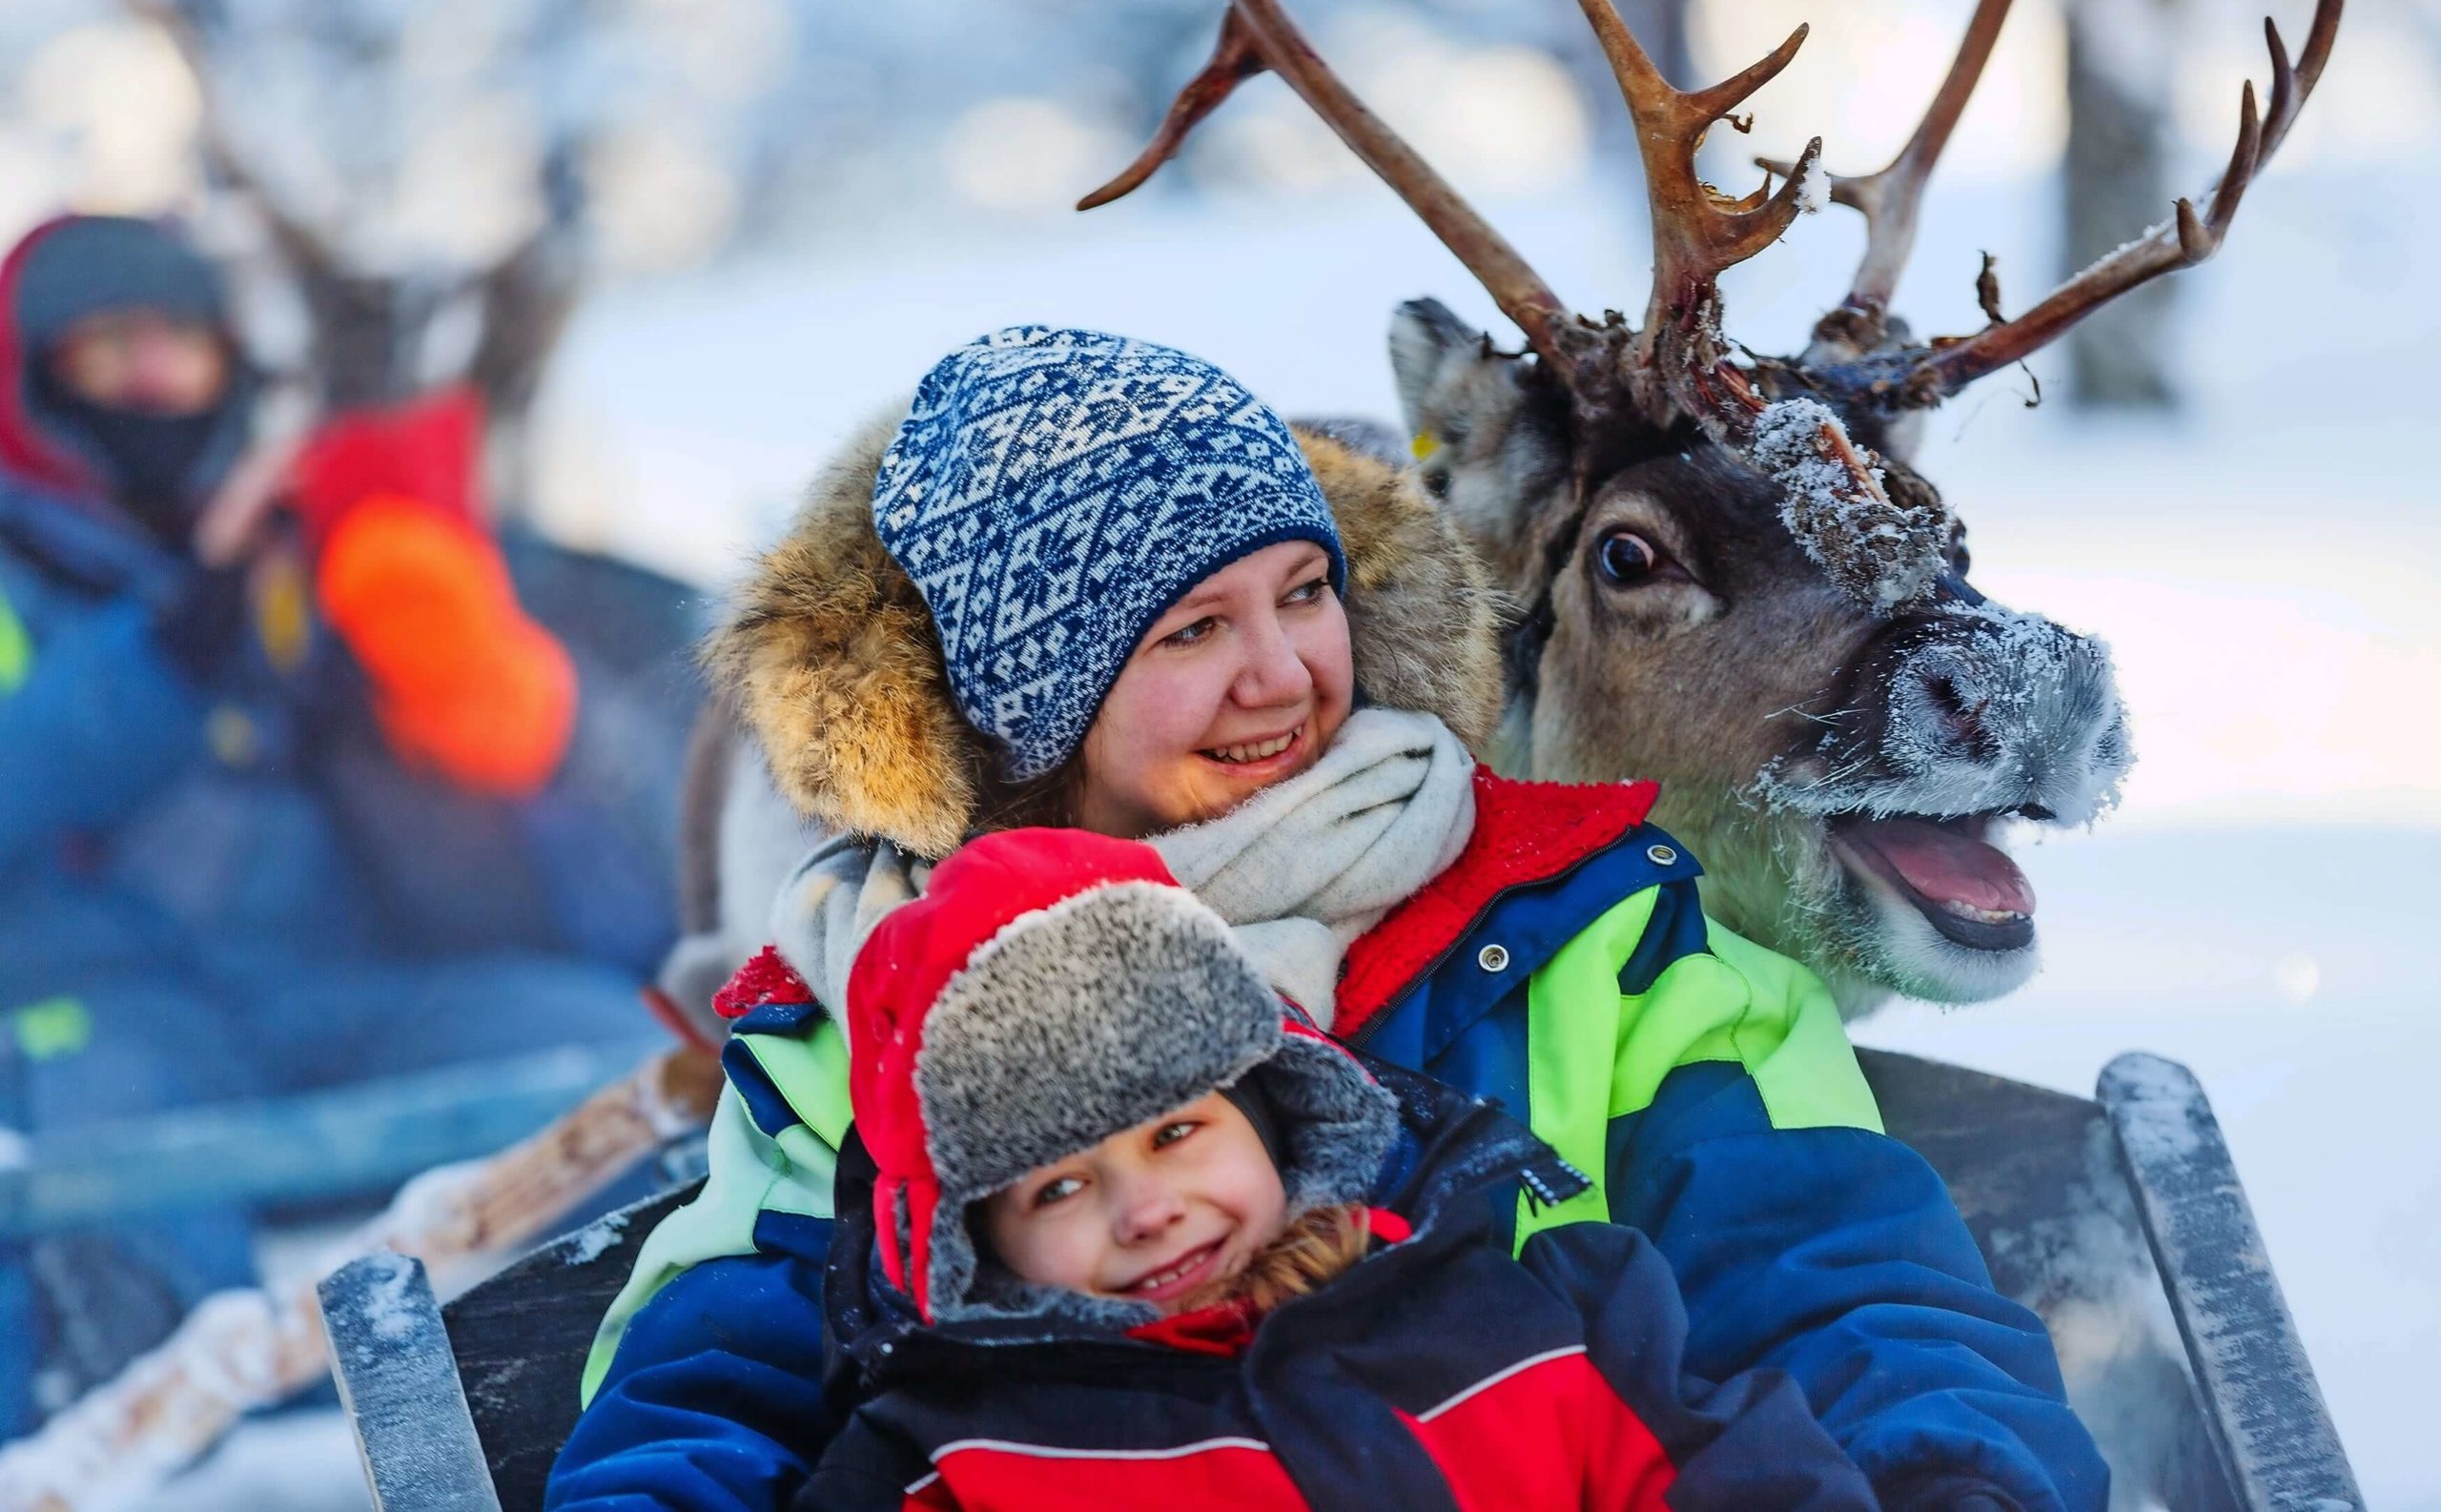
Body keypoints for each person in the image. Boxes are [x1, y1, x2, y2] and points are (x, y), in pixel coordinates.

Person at [551, 326, 2108, 1510]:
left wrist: (1952, 1486)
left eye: (1306, 592)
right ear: (1030, 705)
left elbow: (1841, 1276)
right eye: (1191, 631)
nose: (1283, 672)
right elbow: (716, 1377)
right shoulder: (867, 1018)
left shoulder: (1592, 932)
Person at [0, 214, 668, 1435]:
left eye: (179, 345)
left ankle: (607, 1411)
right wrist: (167, 647)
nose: (152, 380)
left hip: (345, 991)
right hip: (104, 1011)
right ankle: (185, 1452)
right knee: (113, 1217)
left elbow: (522, 739)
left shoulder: (295, 530)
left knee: (626, 1068)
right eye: (109, 350)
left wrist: (409, 602)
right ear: (34, 381)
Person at [777, 826, 1882, 1510]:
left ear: (1274, 1113)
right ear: (973, 1239)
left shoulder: (1522, 1318)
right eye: (1056, 1186)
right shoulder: (950, 1456)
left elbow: (1738, 1472)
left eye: (1175, 1132)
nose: (1146, 1208)